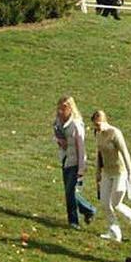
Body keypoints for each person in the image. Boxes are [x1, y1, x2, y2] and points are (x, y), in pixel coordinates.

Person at [90, 110, 131, 243]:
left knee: (116, 203)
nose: (98, 127)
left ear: (105, 121)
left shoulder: (114, 133)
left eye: (99, 124)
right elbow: (99, 154)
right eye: (95, 125)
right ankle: (114, 230)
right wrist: (97, 172)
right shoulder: (97, 133)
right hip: (107, 172)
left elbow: (125, 153)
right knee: (104, 202)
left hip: (120, 172)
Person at [53, 97, 96, 229]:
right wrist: (59, 141)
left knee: (70, 192)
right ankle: (87, 211)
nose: (60, 111)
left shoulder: (76, 125)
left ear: (70, 109)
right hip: (65, 159)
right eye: (59, 108)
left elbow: (81, 146)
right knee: (69, 192)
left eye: (63, 108)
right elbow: (56, 136)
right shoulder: (58, 122)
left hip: (75, 162)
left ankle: (74, 221)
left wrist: (81, 168)